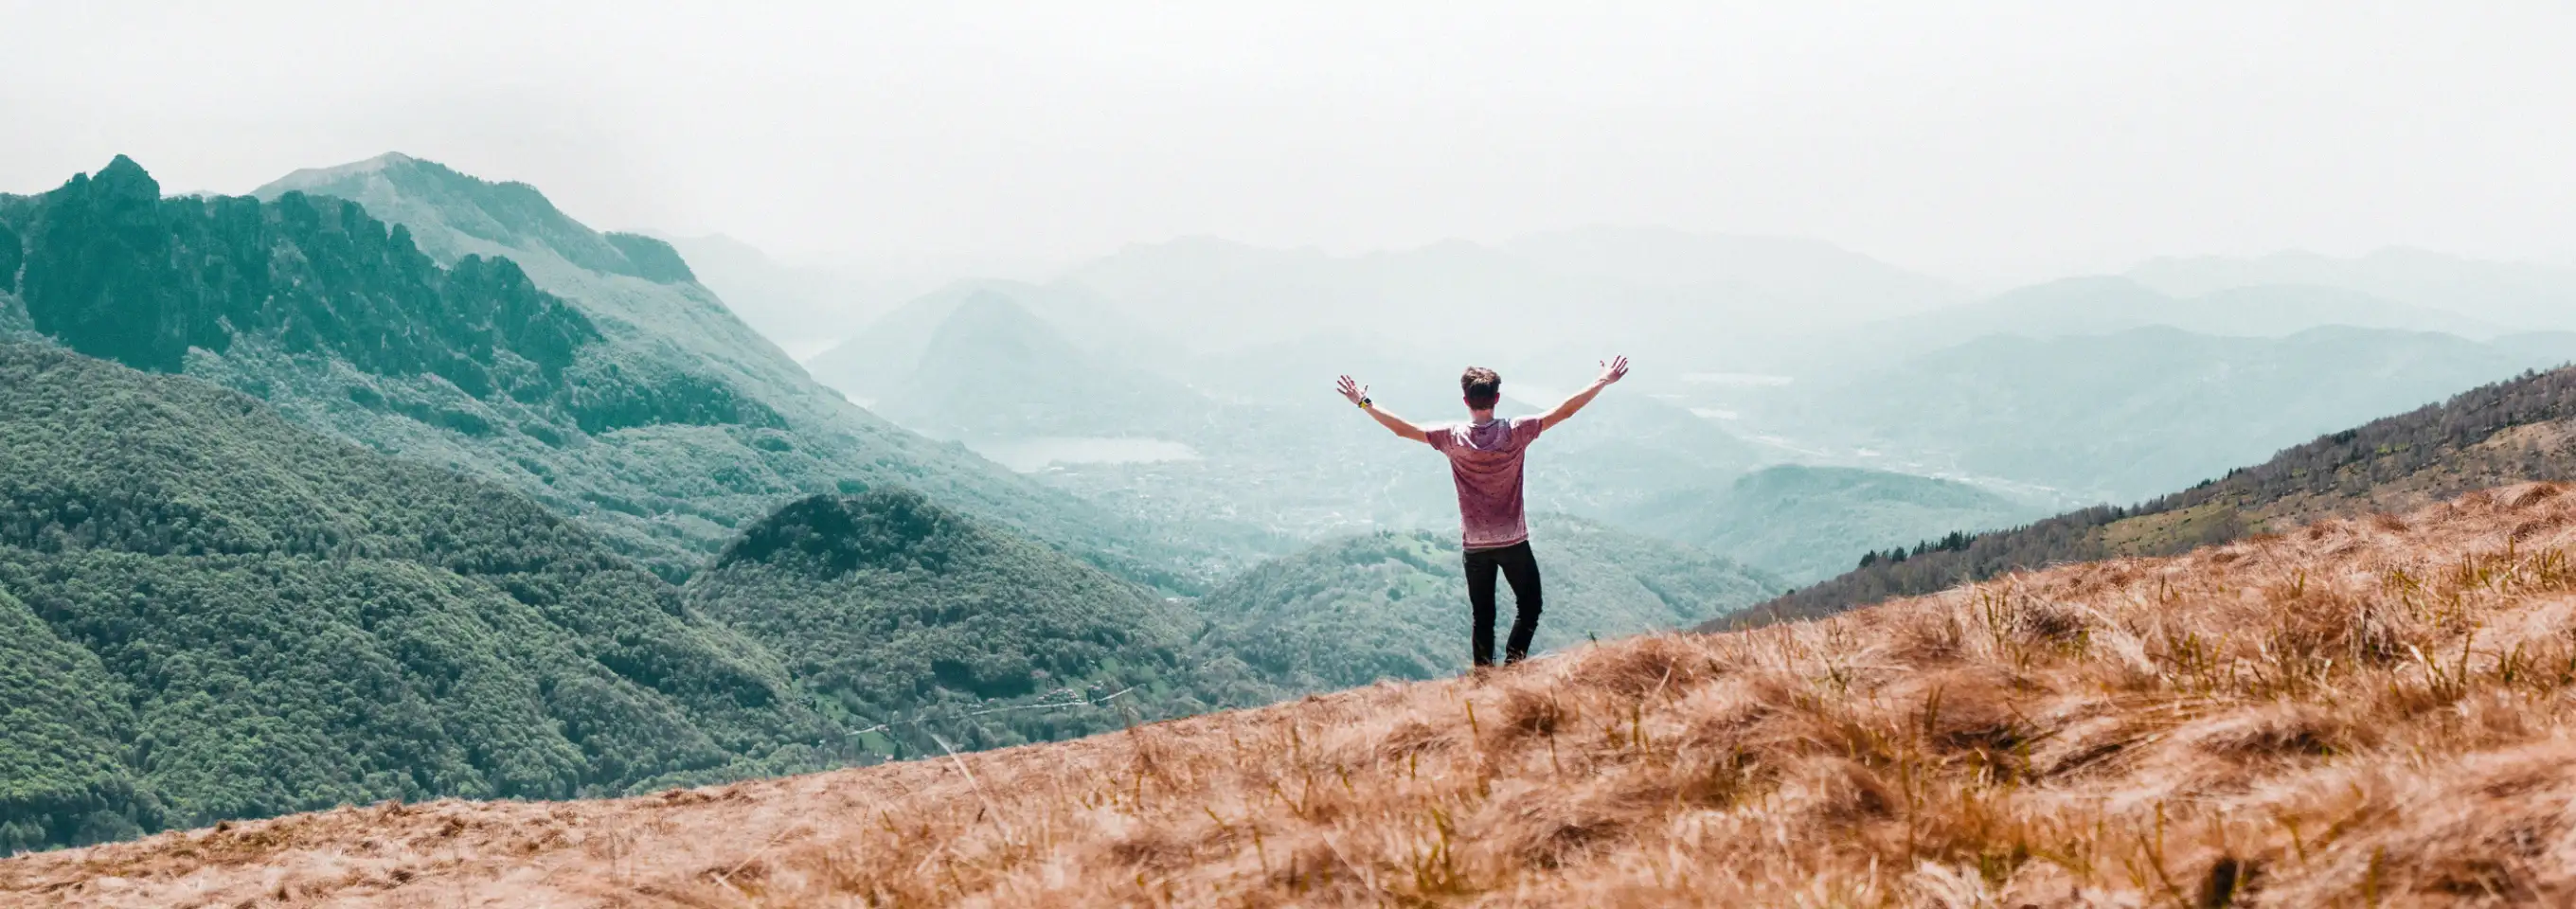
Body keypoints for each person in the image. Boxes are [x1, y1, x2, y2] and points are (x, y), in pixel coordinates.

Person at [1334, 356, 1630, 668]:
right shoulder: (1516, 432)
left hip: (1475, 546)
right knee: (1530, 606)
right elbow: (1565, 411)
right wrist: (1603, 380)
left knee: (1483, 616)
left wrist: (1363, 402)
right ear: (1497, 398)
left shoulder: (1452, 438)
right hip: (1513, 541)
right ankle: (1514, 668)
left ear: (1465, 400)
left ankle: (1483, 681)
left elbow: (1402, 430)